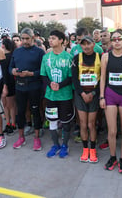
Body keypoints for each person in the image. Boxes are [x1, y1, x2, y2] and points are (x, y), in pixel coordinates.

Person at [100, 30, 122, 174]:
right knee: (112, 130)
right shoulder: (105, 56)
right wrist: (102, 97)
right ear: (111, 41)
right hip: (110, 95)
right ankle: (113, 156)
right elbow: (102, 77)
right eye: (114, 39)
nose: (116, 41)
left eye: (119, 39)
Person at [9, 28, 45, 151]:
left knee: (35, 111)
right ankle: (21, 137)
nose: (24, 41)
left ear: (33, 38)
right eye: (23, 38)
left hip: (34, 87)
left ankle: (36, 138)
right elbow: (11, 67)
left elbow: (43, 71)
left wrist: (31, 74)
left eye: (27, 39)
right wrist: (13, 71)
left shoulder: (39, 52)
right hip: (20, 86)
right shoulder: (17, 52)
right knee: (21, 112)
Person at [41, 30, 74, 158]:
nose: (50, 40)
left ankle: (65, 145)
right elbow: (43, 75)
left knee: (66, 122)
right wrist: (50, 84)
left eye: (53, 38)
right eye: (49, 38)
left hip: (65, 96)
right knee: (52, 121)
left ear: (61, 40)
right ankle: (55, 145)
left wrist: (60, 85)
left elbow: (71, 77)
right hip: (51, 96)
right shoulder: (46, 57)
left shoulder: (69, 57)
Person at [71, 36, 101, 163]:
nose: (86, 46)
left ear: (94, 44)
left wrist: (94, 93)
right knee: (83, 124)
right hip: (81, 95)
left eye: (89, 43)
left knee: (91, 124)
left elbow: (102, 79)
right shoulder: (77, 58)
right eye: (83, 44)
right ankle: (85, 149)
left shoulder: (101, 57)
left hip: (94, 94)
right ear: (80, 46)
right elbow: (74, 78)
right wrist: (82, 93)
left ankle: (93, 150)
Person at [1, 39, 17, 135]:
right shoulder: (12, 56)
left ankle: (10, 123)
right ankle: (11, 123)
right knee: (10, 105)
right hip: (9, 83)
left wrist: (4, 85)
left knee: (7, 105)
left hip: (6, 83)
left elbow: (4, 72)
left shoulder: (5, 58)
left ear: (4, 45)